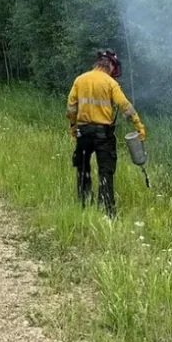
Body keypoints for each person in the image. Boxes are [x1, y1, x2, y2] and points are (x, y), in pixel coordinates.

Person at [66, 49, 147, 218]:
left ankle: (83, 206)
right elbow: (124, 105)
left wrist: (74, 129)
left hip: (83, 132)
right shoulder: (110, 83)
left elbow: (71, 108)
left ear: (97, 63)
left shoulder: (80, 80)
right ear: (110, 64)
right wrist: (139, 126)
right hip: (103, 134)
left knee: (83, 169)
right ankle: (107, 212)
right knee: (105, 171)